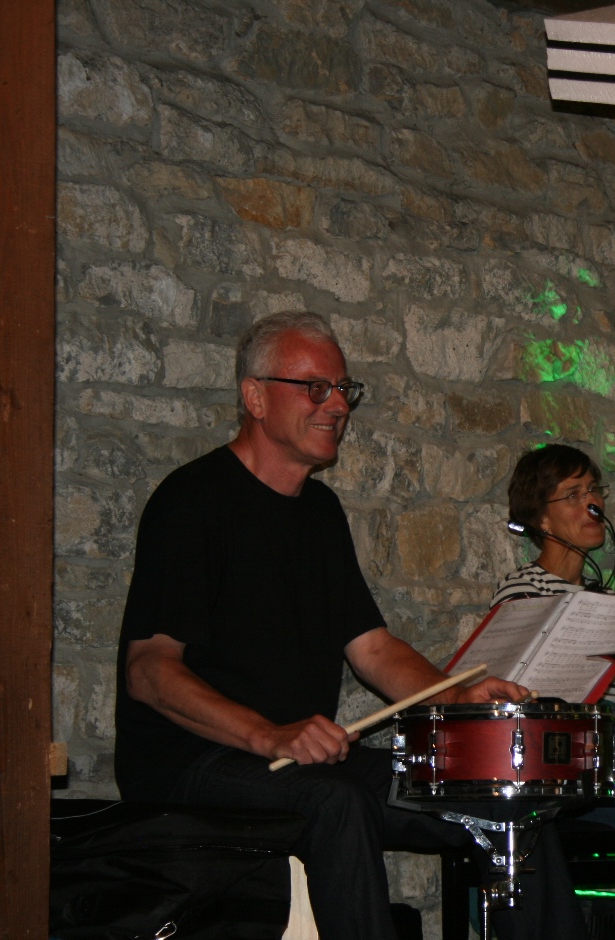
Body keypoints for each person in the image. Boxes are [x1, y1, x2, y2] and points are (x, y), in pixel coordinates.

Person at [114, 312, 586, 940]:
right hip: (192, 761)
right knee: (337, 804)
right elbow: (149, 671)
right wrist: (268, 735)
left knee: (505, 795)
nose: (336, 405)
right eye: (315, 388)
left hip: (299, 760)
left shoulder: (320, 512)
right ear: (255, 397)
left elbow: (373, 649)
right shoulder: (191, 501)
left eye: (343, 389)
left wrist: (457, 698)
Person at [494, 443, 615, 842]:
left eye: (594, 489)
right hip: (570, 771)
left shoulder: (603, 598)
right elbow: (542, 718)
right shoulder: (522, 591)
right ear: (542, 519)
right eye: (573, 495)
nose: (593, 504)